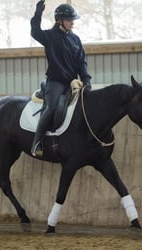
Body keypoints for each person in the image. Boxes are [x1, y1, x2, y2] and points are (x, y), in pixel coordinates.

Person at [30, 0, 92, 157]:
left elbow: (81, 62)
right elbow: (35, 31)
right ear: (60, 20)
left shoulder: (75, 39)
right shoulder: (49, 37)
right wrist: (38, 14)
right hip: (56, 82)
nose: (73, 23)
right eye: (70, 20)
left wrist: (86, 80)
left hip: (74, 83)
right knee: (51, 108)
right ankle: (36, 142)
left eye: (73, 20)